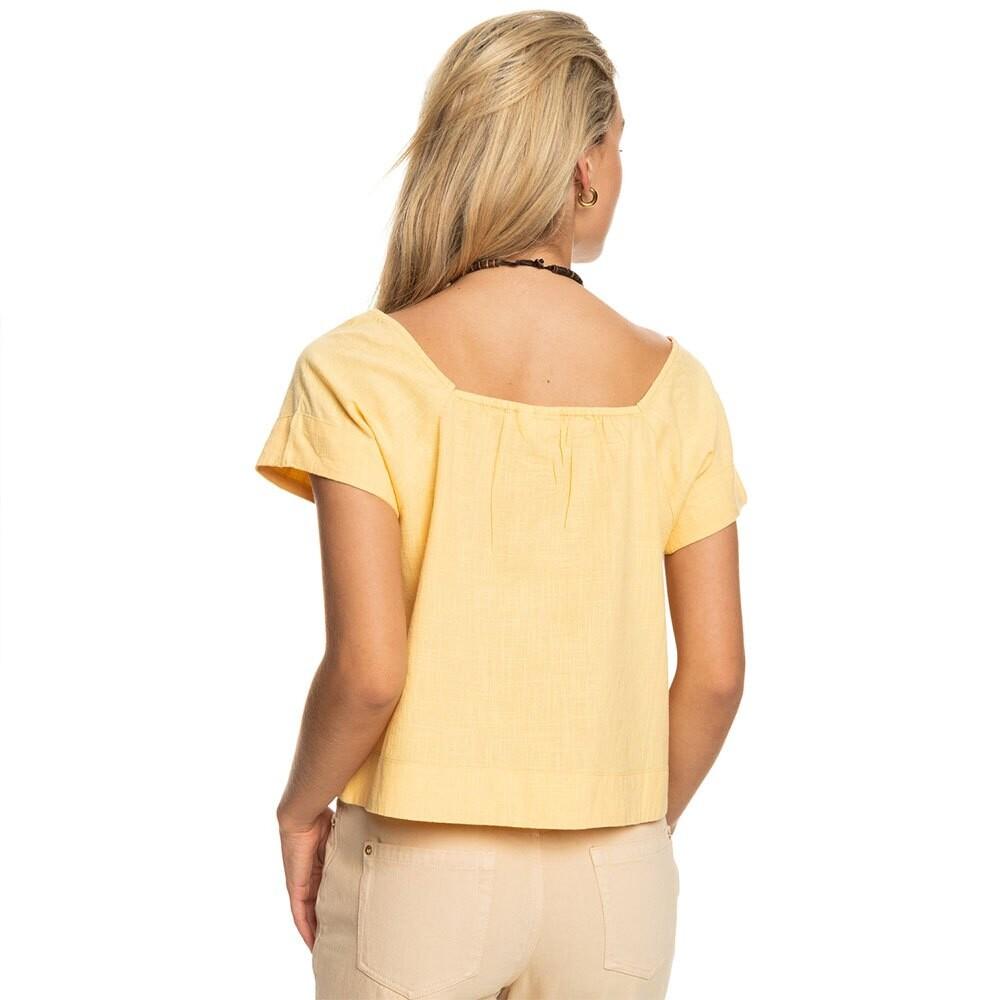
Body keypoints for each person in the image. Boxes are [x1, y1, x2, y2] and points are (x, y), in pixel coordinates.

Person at [254, 11, 748, 999]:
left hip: (420, 871)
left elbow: (369, 670)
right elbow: (716, 675)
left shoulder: (359, 369)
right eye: (620, 145)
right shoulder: (676, 388)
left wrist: (300, 807)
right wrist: (627, 829)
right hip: (615, 878)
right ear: (586, 166)